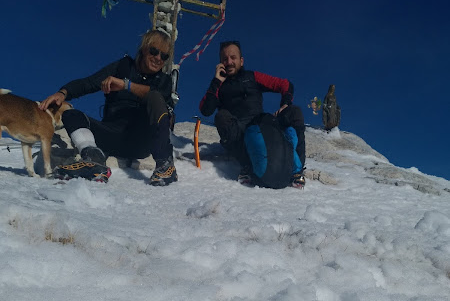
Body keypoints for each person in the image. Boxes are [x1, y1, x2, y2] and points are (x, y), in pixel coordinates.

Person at [39, 30, 177, 185]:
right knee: (71, 114)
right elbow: (89, 83)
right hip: (111, 135)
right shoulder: (122, 67)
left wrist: (126, 85)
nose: (158, 58)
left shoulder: (164, 81)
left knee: (155, 97)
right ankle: (93, 159)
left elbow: (159, 96)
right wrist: (63, 93)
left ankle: (165, 165)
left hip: (141, 141)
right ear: (144, 49)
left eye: (164, 56)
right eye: (154, 51)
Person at [199, 40, 306, 188]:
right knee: (221, 116)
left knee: (294, 112)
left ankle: (296, 171)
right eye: (225, 59)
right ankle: (247, 166)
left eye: (233, 57)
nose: (229, 62)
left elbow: (285, 85)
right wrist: (216, 81)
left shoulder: (253, 77)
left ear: (241, 61)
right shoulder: (219, 85)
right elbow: (206, 109)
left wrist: (285, 104)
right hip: (239, 134)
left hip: (262, 126)